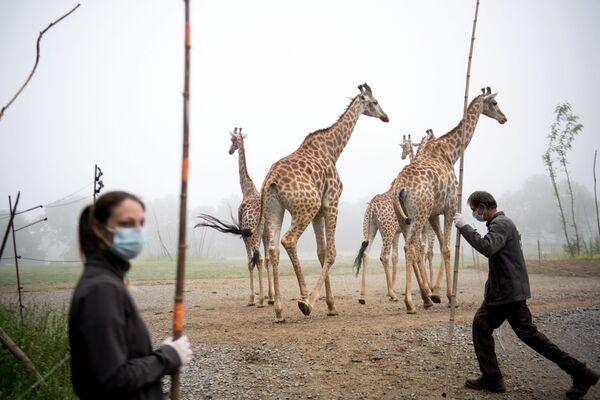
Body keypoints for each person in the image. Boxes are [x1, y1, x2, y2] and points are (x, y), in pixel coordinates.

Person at [454, 190, 599, 399]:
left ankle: (581, 372)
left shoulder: (501, 224)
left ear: (483, 207)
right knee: (482, 325)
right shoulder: (499, 224)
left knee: (531, 337)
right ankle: (492, 379)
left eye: (474, 210)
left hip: (508, 294)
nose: (475, 213)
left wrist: (465, 227)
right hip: (502, 293)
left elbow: (487, 247)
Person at [69, 191, 193, 399]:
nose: (137, 231)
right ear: (99, 229)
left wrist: (165, 352)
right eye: (127, 224)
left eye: (141, 223)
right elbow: (112, 379)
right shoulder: (100, 290)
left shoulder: (109, 281)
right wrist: (168, 357)